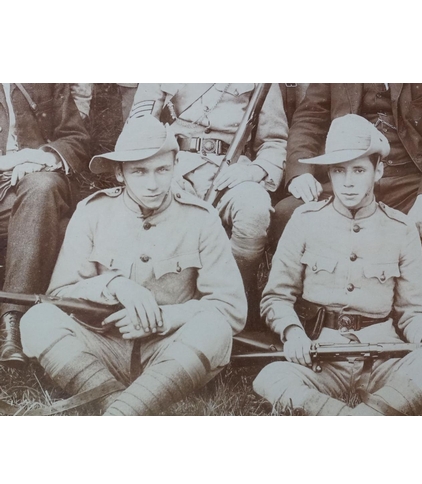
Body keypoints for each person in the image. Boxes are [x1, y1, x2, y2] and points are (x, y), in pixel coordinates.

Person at [20, 116, 246, 416]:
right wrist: (114, 286)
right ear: (119, 172)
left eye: (162, 170)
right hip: (101, 345)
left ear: (175, 166)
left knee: (215, 330)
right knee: (37, 319)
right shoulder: (93, 212)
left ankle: (118, 413)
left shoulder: (201, 218)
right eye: (139, 171)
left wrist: (165, 317)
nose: (153, 184)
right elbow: (61, 293)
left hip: (169, 350)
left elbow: (229, 308)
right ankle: (119, 406)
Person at [253, 114, 422, 416]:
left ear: (377, 171)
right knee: (271, 378)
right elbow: (276, 297)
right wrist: (293, 334)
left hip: (384, 358)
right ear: (329, 172)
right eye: (339, 171)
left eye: (358, 170)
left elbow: (414, 311)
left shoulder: (400, 228)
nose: (348, 182)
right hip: (321, 359)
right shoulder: (305, 221)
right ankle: (373, 415)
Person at [273, 83, 422, 340]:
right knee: (289, 211)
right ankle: (301, 332)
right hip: (349, 177)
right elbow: (309, 119)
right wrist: (300, 174)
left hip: (415, 180)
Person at [127, 83, 288, 326]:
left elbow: (274, 140)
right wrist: (160, 168)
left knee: (254, 207)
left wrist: (255, 171)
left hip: (231, 171)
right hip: (173, 166)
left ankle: (237, 298)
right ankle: (162, 305)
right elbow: (138, 130)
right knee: (158, 202)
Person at [0, 83, 90, 367]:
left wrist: (42, 158)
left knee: (41, 191)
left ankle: (12, 323)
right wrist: (16, 159)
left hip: (36, 182)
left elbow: (76, 138)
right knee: (55, 225)